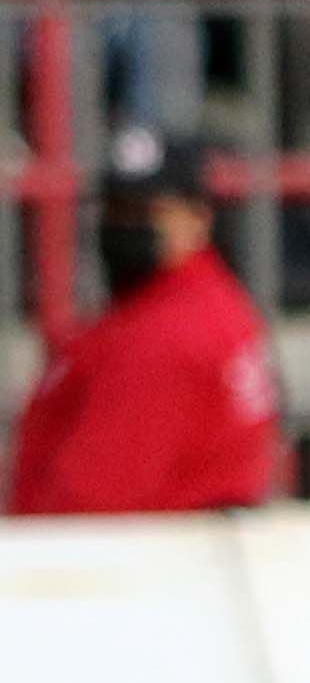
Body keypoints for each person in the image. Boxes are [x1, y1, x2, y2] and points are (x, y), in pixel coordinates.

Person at [5, 127, 278, 518]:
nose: (125, 226)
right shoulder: (198, 301)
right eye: (117, 209)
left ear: (197, 218)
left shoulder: (166, 334)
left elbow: (86, 506)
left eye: (149, 213)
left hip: (130, 568)